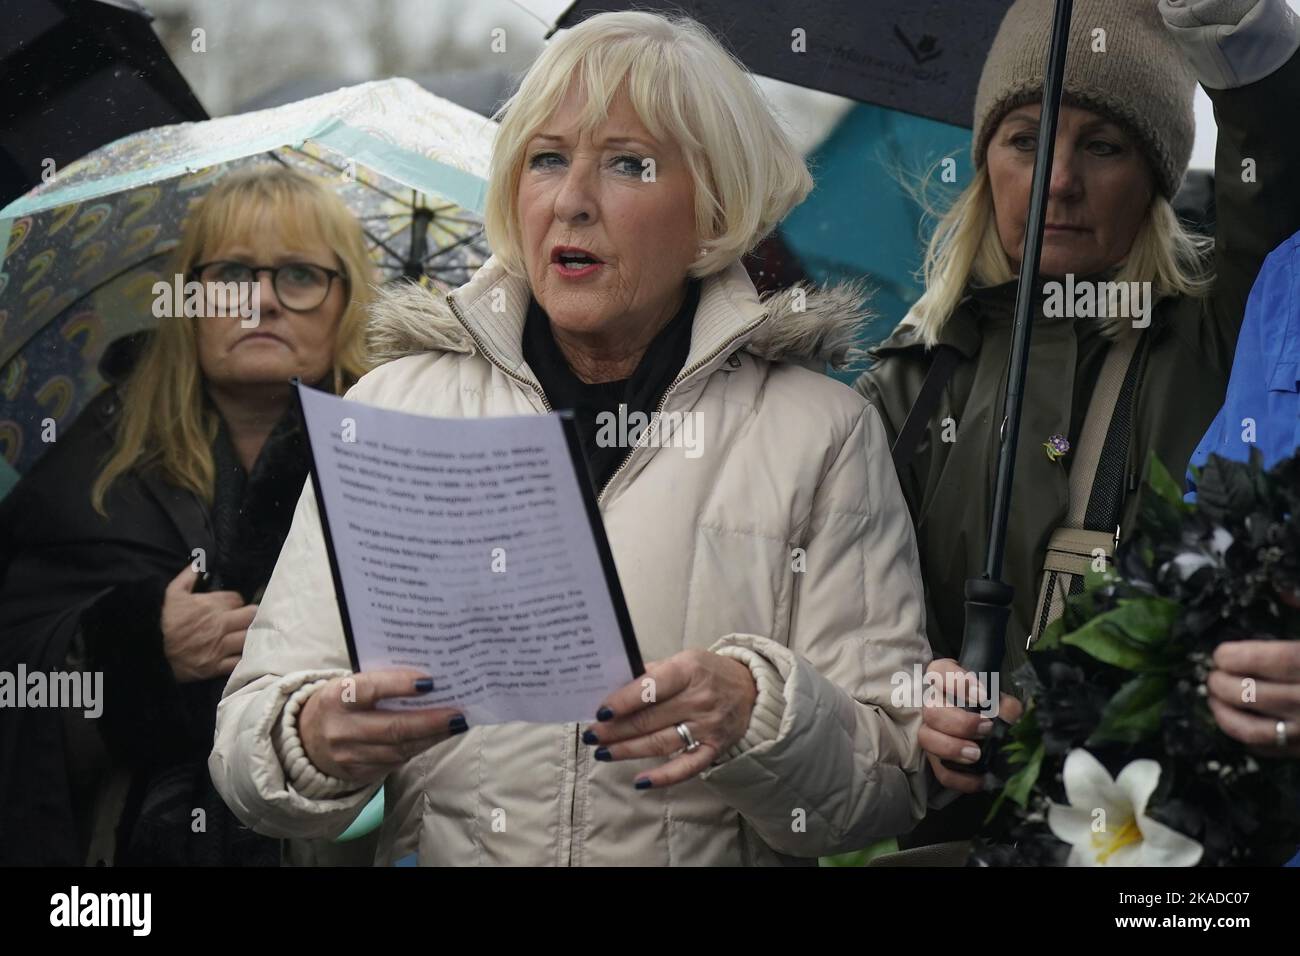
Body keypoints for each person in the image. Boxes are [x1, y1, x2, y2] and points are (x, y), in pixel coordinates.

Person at [209, 11, 930, 867]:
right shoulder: (392, 409)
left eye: (629, 164)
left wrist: (759, 709)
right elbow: (246, 750)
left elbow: (888, 785)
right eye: (546, 159)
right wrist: (311, 738)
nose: (572, 199)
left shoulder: (824, 432)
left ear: (714, 211)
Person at [854, 0, 1300, 850]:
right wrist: (913, 694)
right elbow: (846, 626)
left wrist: (1227, 24)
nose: (1059, 179)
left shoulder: (1226, 331)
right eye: (1026, 139)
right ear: (984, 161)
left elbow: (1275, 164)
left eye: (1103, 146)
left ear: (1160, 175)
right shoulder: (907, 388)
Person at [0, 165, 374, 865]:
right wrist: (135, 649)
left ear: (345, 301)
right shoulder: (89, 463)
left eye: (299, 275)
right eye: (233, 273)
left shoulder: (401, 453)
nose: (261, 302)